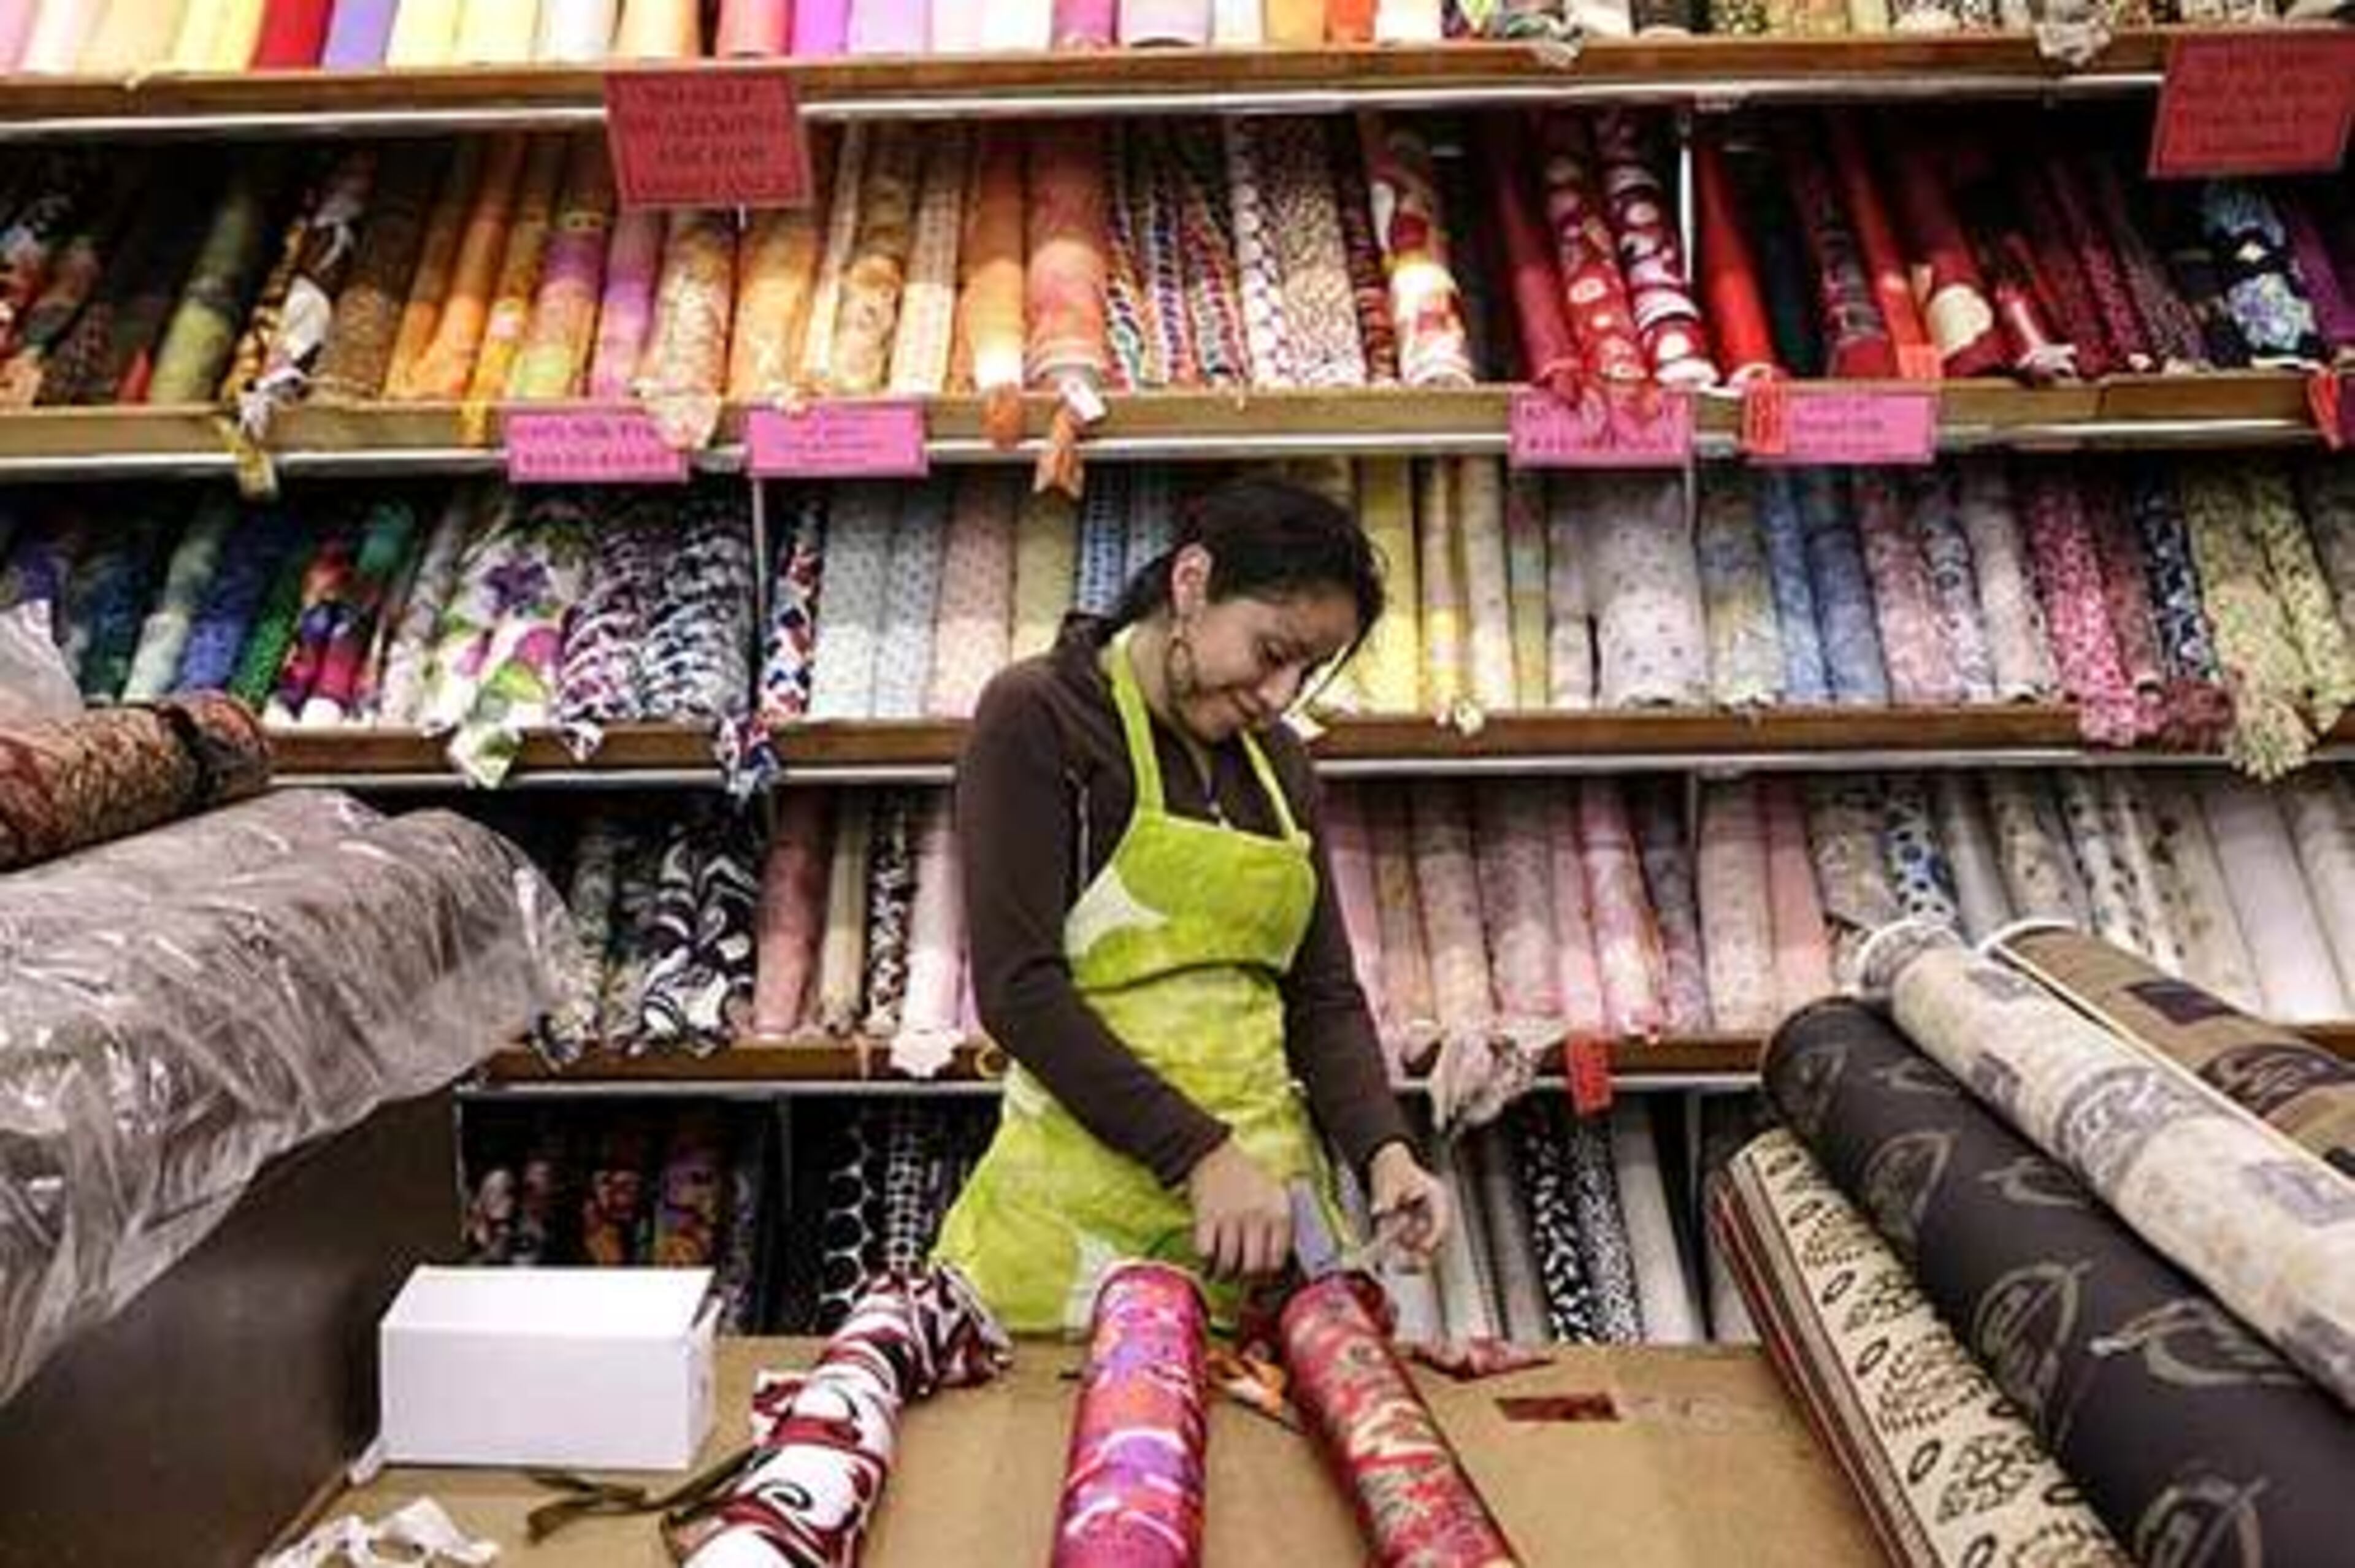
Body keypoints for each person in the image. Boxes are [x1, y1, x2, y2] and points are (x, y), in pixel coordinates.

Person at [932, 477, 1450, 1333]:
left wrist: (1384, 1152)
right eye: (1271, 649)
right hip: (1075, 1252)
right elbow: (1021, 990)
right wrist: (1201, 1153)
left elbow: (1321, 995)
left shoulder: (1279, 764)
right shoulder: (1040, 715)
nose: (1281, 695)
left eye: (1308, 670)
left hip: (1261, 1239)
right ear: (1192, 581)